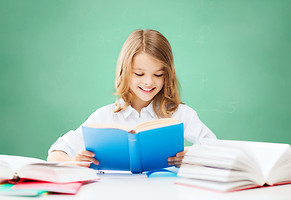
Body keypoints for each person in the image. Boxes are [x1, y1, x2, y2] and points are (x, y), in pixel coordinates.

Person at [47, 29, 216, 168]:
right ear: (124, 72)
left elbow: (217, 149)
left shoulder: (180, 114)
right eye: (139, 74)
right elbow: (55, 153)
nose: (149, 82)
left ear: (167, 76)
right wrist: (75, 164)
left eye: (158, 74)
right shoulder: (104, 116)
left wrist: (193, 156)